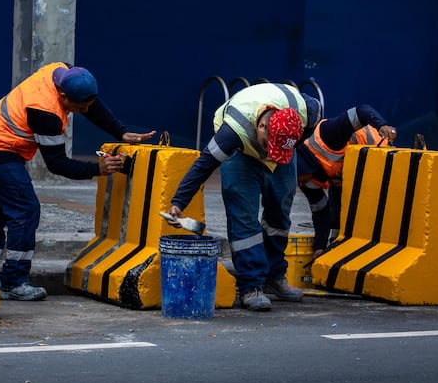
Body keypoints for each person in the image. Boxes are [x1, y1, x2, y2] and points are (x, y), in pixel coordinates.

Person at [0, 62, 156, 301]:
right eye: (77, 108)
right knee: (26, 210)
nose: (82, 111)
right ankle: (13, 281)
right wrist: (97, 169)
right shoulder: (46, 112)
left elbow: (92, 104)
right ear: (62, 95)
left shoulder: (62, 70)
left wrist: (119, 131)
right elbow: (57, 164)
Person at [165, 83, 322, 311]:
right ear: (261, 125)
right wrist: (179, 202)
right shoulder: (232, 133)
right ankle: (251, 286)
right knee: (244, 219)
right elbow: (204, 165)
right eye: (268, 146)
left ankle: (274, 275)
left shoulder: (308, 113)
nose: (270, 154)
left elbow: (298, 138)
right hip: (241, 154)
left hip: (285, 150)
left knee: (280, 211)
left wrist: (283, 151)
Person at [296, 105, 397, 259]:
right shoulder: (307, 179)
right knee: (338, 221)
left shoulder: (328, 134)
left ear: (300, 169)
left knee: (370, 224)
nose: (297, 185)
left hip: (380, 156)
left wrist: (381, 125)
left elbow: (361, 111)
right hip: (351, 176)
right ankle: (336, 252)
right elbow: (320, 211)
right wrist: (320, 248)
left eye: (295, 179)